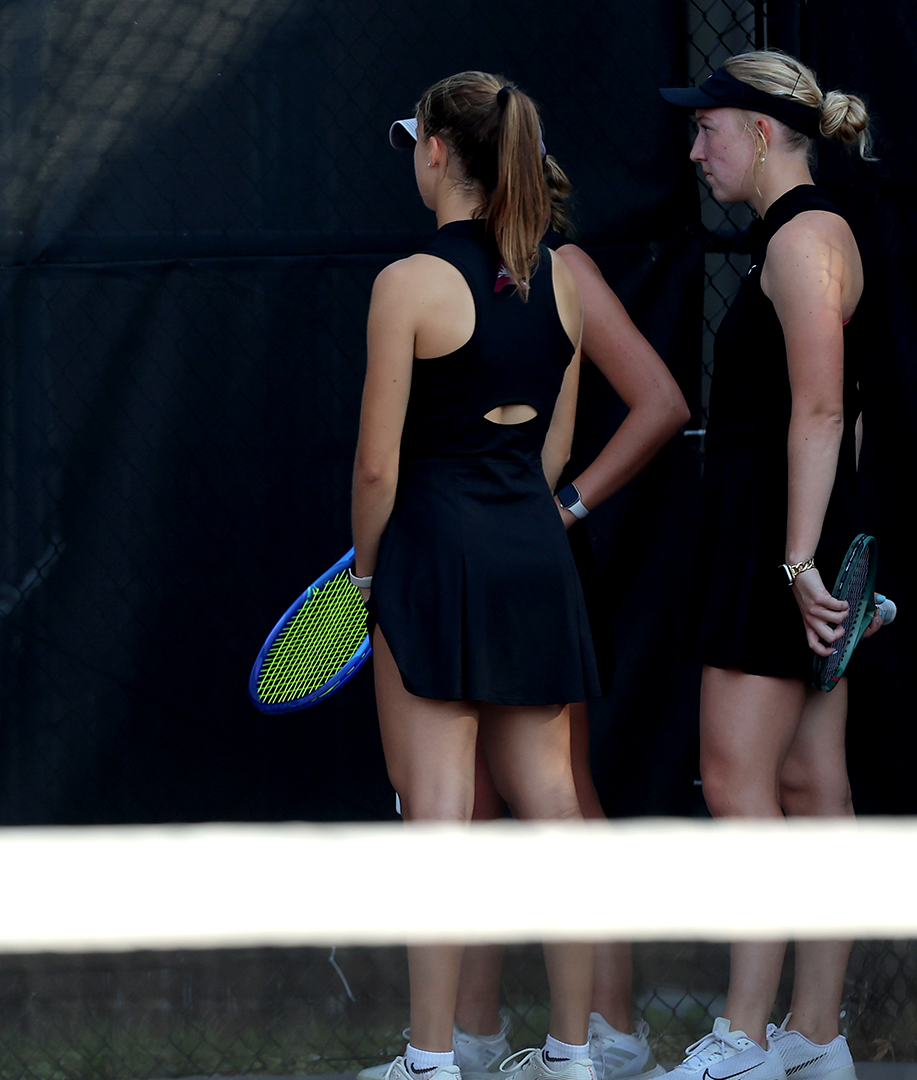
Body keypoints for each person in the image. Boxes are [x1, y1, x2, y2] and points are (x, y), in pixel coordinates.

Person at [369, 146, 691, 1080]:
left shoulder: (556, 272)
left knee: (550, 798)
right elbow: (531, 449)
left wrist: (558, 506)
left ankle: (603, 1034)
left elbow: (653, 404)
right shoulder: (478, 280)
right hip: (503, 553)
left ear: (460, 162)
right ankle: (488, 1042)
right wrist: (515, 513)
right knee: (479, 800)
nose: (417, 169)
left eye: (424, 150)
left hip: (487, 555)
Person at [352, 73, 596, 1080]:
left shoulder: (407, 282)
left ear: (440, 154)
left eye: (417, 140)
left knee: (439, 816)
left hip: (433, 558)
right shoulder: (566, 279)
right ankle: (575, 1056)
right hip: (531, 556)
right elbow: (552, 452)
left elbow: (376, 465)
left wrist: (370, 580)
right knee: (553, 808)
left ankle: (432, 1059)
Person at [656, 50, 875, 1080]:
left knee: (743, 779)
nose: (696, 149)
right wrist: (830, 557)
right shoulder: (807, 237)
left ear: (759, 130)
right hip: (799, 538)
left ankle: (745, 1037)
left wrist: (796, 563)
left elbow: (826, 409)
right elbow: (845, 421)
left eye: (710, 128)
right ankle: (815, 1035)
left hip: (777, 545)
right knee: (806, 779)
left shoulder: (799, 242)